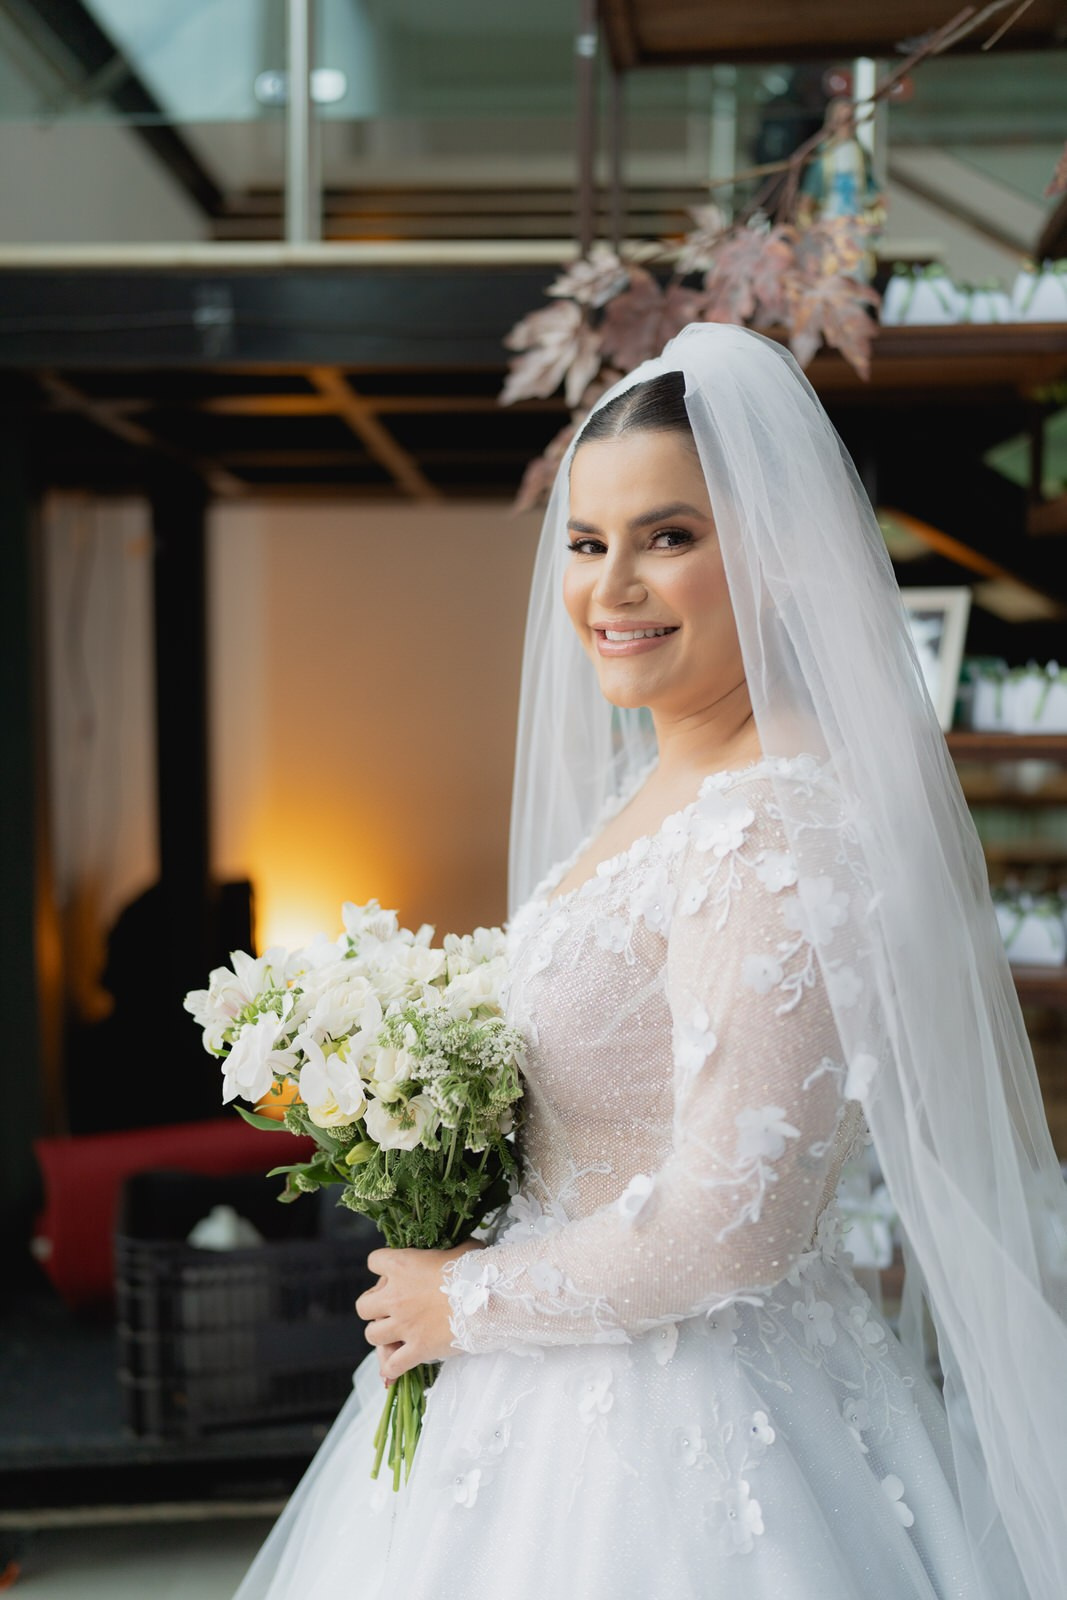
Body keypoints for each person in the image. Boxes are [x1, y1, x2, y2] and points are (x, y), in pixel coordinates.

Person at [234, 325, 1067, 1600]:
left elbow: (734, 1222)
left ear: (775, 559)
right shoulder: (664, 778)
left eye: (666, 537)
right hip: (546, 1389)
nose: (609, 587)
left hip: (682, 1434)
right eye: (585, 543)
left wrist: (469, 1301)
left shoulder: (769, 827)